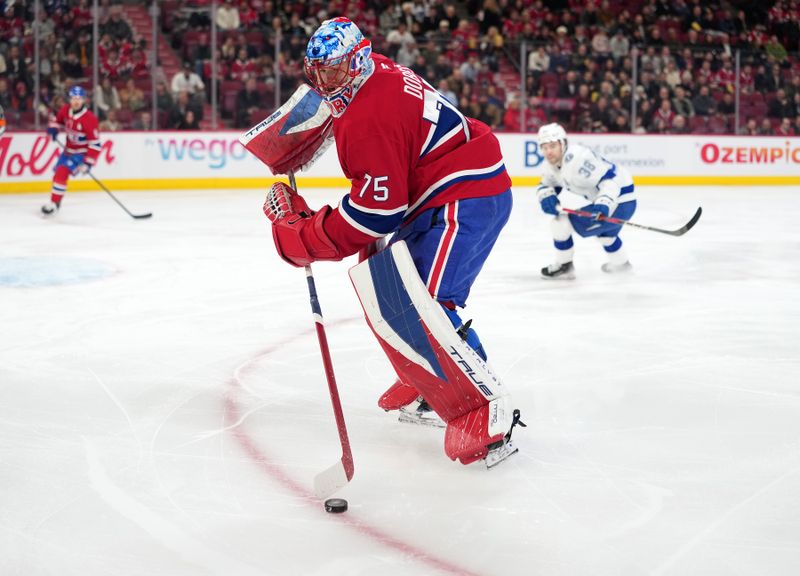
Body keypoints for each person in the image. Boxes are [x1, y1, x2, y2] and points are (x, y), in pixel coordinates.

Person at [261, 18, 521, 467]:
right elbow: (380, 195)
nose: (325, 84)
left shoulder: (369, 115)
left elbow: (375, 214)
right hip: (436, 193)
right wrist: (295, 138)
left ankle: (483, 405)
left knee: (428, 304)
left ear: (358, 61)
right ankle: (428, 376)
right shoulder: (373, 74)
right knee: (385, 280)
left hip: (465, 197)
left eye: (335, 72)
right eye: (317, 72)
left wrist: (303, 234)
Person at [535, 123, 636, 278]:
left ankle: (565, 266)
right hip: (620, 201)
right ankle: (621, 265)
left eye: (553, 146)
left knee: (560, 224)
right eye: (544, 147)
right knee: (607, 235)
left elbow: (610, 180)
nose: (548, 151)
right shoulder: (550, 164)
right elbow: (547, 184)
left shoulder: (578, 159)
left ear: (563, 143)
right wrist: (547, 196)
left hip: (620, 200)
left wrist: (604, 203)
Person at [42, 86, 101, 215]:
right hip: (68, 151)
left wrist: (88, 163)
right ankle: (55, 203)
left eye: (79, 99)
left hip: (80, 153)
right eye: (73, 98)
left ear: (84, 100)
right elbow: (56, 121)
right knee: (58, 174)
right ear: (69, 99)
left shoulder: (90, 119)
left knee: (62, 172)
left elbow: (95, 144)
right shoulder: (65, 110)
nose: (76, 101)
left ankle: (54, 204)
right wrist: (54, 129)